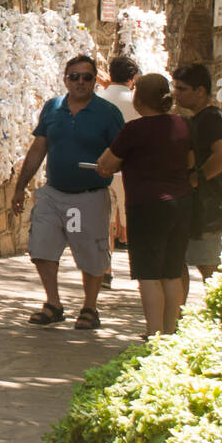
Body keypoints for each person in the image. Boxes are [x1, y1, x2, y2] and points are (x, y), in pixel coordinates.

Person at [12, 55, 124, 330]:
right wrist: (20, 186)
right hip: (54, 193)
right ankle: (53, 303)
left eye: (87, 77)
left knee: (88, 250)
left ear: (95, 80)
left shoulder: (107, 113)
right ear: (65, 79)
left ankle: (89, 307)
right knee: (41, 246)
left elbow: (122, 150)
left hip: (86, 196)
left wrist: (110, 167)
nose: (80, 82)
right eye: (74, 76)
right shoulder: (53, 108)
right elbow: (39, 147)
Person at [95, 74, 193, 337]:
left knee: (148, 273)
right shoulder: (182, 124)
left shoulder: (134, 130)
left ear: (139, 98)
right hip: (181, 203)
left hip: (147, 206)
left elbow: (106, 163)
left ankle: (153, 333)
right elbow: (190, 160)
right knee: (171, 271)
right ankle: (171, 333)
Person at [172, 64, 222, 301]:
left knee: (209, 266)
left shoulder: (211, 118)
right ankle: (176, 321)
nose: (176, 93)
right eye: (175, 87)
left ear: (200, 91)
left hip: (207, 207)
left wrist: (197, 178)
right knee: (179, 263)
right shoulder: (197, 118)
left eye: (182, 88)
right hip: (194, 205)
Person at [100, 55, 140, 284]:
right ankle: (138, 268)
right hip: (130, 171)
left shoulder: (96, 99)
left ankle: (106, 270)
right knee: (133, 220)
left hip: (102, 167)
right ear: (132, 78)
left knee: (104, 222)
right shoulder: (137, 101)